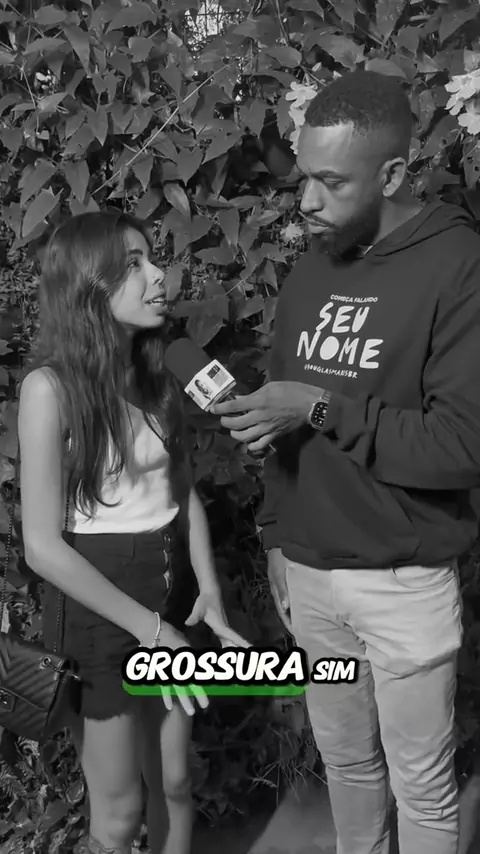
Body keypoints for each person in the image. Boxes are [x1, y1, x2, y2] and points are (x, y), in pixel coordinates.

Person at [212, 70, 480, 854]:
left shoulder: (457, 267)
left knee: (422, 786)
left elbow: (460, 447)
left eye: (332, 183)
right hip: (309, 576)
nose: (307, 201)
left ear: (392, 175)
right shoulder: (311, 270)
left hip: (402, 583)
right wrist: (276, 535)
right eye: (304, 178)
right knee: (347, 767)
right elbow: (285, 424)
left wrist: (318, 406)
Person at [18, 210, 247, 854]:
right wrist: (149, 630)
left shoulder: (159, 376)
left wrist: (208, 589)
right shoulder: (49, 390)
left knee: (174, 782)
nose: (160, 275)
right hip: (101, 615)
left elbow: (182, 491)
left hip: (169, 599)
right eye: (135, 265)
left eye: (153, 258)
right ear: (87, 286)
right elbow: (41, 547)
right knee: (118, 817)